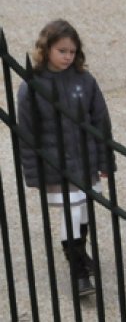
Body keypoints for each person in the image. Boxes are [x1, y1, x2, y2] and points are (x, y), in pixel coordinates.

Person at [16, 19, 114, 298]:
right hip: (56, 165)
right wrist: (33, 174)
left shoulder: (85, 80)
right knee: (71, 212)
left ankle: (79, 251)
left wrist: (105, 161)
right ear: (46, 49)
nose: (68, 57)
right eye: (62, 51)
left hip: (86, 160)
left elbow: (100, 121)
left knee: (84, 210)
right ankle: (78, 271)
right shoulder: (32, 87)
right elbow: (27, 134)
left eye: (72, 51)